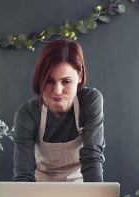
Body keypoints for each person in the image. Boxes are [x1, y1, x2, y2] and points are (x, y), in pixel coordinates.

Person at [12, 40, 105, 182]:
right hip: (39, 192)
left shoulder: (90, 101)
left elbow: (92, 157)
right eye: (49, 81)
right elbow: (24, 173)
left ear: (79, 76)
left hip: (81, 190)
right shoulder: (27, 114)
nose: (57, 90)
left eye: (66, 81)